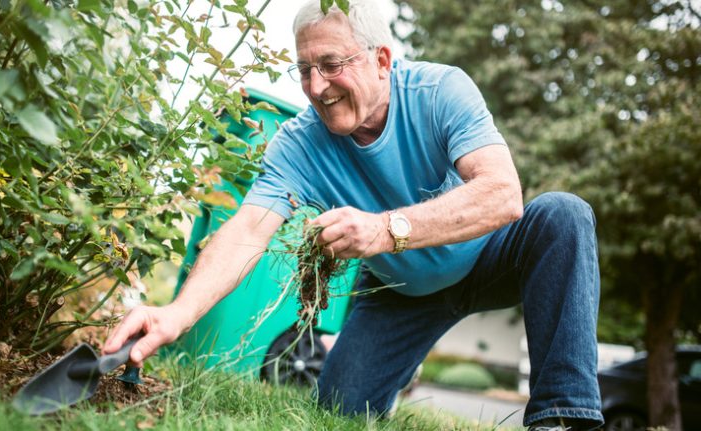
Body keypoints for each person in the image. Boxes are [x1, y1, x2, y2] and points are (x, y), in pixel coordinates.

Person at [104, 1, 603, 429]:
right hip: (399, 293)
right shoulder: (299, 144)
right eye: (304, 69)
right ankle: (391, 367)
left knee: (563, 214)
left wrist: (386, 228)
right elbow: (246, 231)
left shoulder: (439, 92)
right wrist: (176, 314)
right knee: (339, 409)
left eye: (331, 64)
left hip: (490, 257)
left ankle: (561, 416)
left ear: (381, 60)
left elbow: (502, 194)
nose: (317, 86)